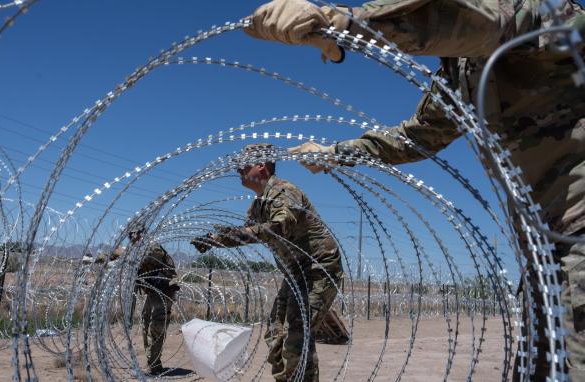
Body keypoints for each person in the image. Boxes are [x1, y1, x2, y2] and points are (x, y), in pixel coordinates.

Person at [244, 0, 585, 379]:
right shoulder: (459, 75)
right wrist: (336, 153)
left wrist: (343, 24)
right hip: (544, 247)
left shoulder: (532, 12)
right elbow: (416, 137)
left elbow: (476, 24)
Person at [190, 143, 343, 382]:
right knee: (275, 333)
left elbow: (279, 227)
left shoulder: (284, 192)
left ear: (261, 166)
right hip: (295, 274)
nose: (238, 170)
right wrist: (215, 240)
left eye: (244, 165)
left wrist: (230, 236)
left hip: (317, 269)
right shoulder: (257, 205)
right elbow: (247, 232)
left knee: (296, 333)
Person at [100, 230, 179, 375]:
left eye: (133, 234)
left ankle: (155, 365)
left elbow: (141, 258)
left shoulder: (152, 247)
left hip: (163, 292)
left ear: (142, 233)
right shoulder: (138, 249)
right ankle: (152, 363)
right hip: (153, 292)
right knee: (146, 323)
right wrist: (105, 258)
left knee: (156, 327)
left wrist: (119, 255)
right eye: (129, 235)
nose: (131, 237)